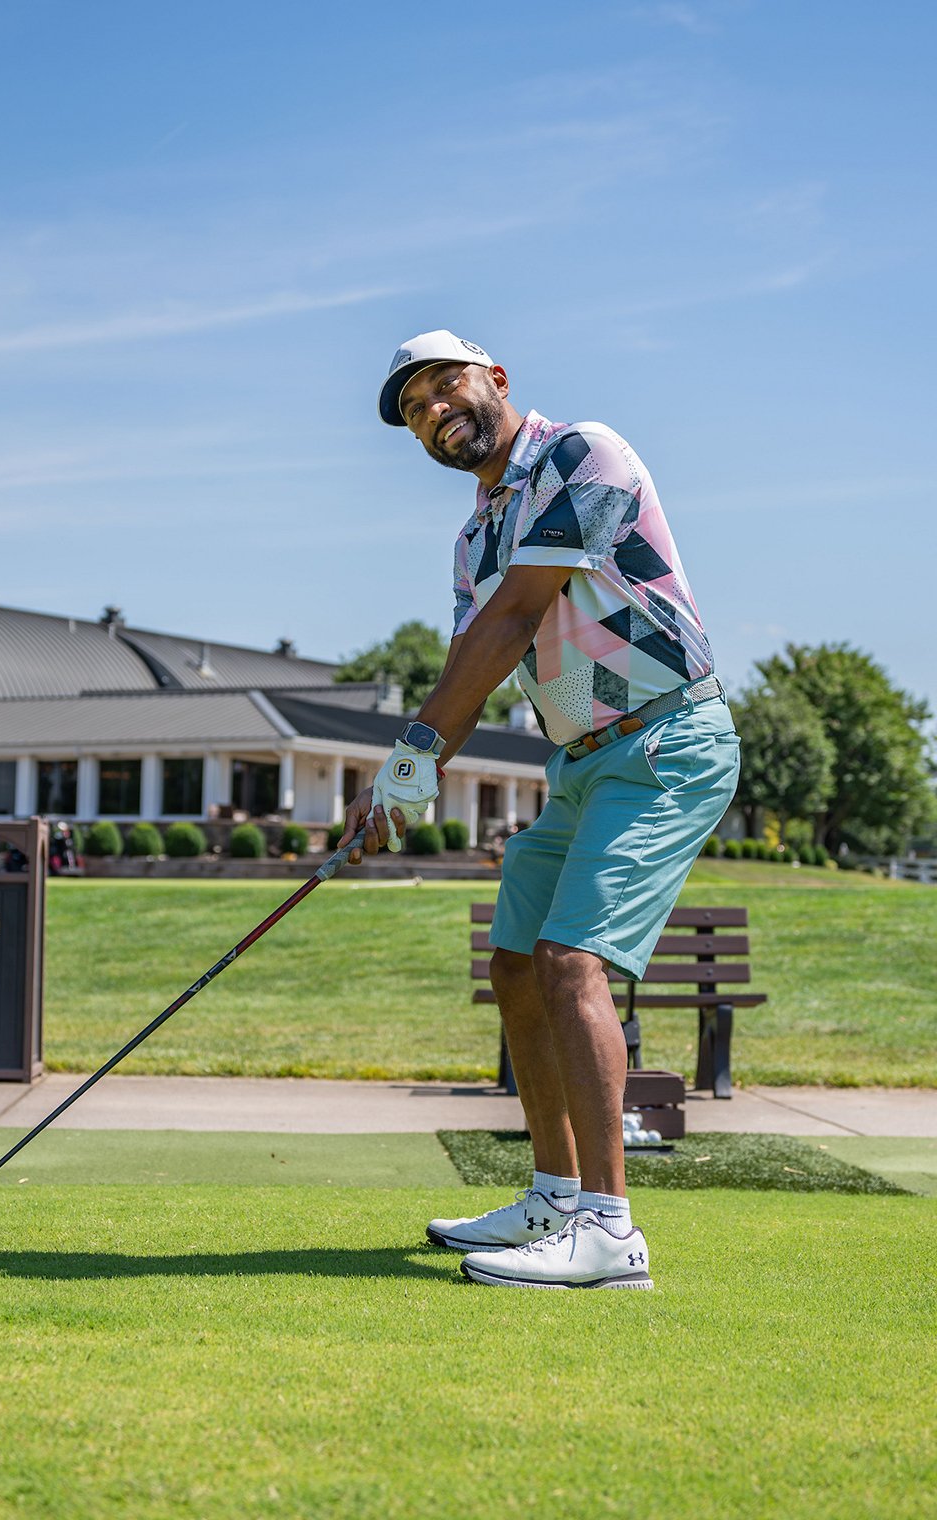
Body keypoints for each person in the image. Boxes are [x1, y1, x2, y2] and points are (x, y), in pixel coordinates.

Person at [340, 330, 740, 1289]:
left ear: (495, 378)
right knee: (517, 961)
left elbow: (519, 614)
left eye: (444, 385)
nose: (434, 411)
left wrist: (415, 754)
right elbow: (475, 659)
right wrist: (401, 779)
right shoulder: (473, 537)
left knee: (570, 960)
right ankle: (555, 1196)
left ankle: (609, 1233)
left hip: (666, 741)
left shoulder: (581, 455)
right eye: (415, 411)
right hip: (582, 764)